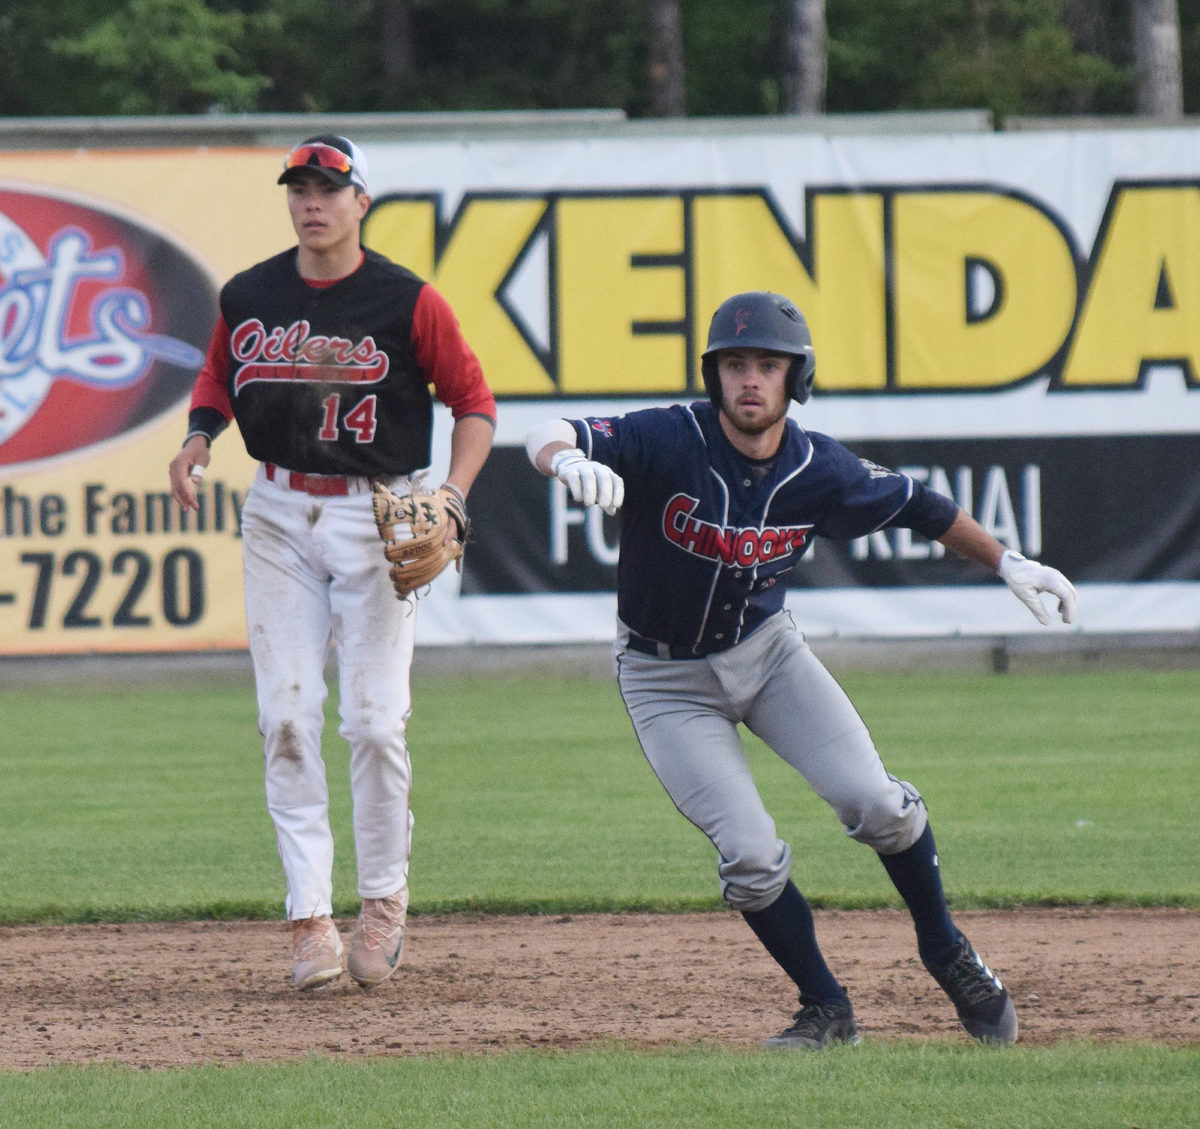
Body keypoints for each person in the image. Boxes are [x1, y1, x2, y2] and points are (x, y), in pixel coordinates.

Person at [525, 290, 1076, 1048]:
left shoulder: (818, 466)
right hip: (664, 679)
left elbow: (921, 505)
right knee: (750, 856)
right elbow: (548, 430)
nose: (751, 379)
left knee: (878, 804)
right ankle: (827, 1006)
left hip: (769, 652)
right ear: (713, 374)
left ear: (796, 378)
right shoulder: (668, 436)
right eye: (735, 363)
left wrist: (1008, 560)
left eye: (769, 365)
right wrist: (567, 459)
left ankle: (946, 948)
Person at [169, 135, 496, 991]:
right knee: (284, 716)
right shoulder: (251, 292)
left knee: (376, 722)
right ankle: (309, 919)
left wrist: (453, 493)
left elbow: (474, 403)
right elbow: (217, 375)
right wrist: (199, 439)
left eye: (329, 187)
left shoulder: (406, 300)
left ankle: (382, 900)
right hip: (278, 513)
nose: (312, 201)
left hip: (375, 516)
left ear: (361, 202)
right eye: (300, 187)